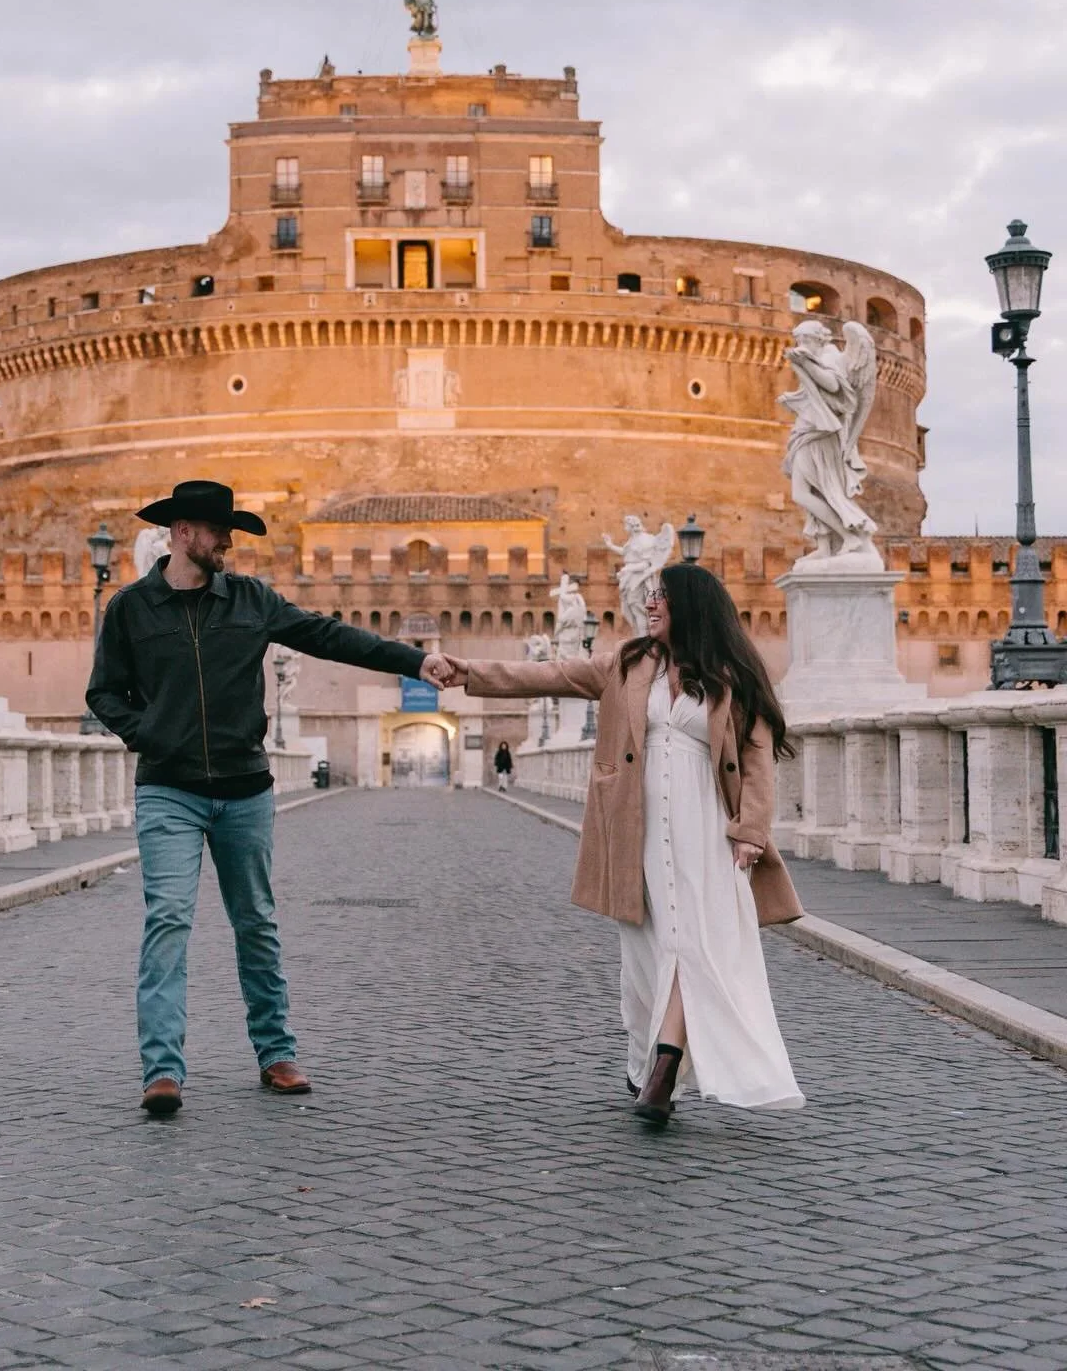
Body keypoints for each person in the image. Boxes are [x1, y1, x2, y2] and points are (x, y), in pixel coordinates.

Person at [87, 480, 454, 1117]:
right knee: (168, 921)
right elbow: (104, 693)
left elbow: (331, 636)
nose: (228, 542)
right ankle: (162, 1070)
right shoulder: (131, 608)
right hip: (168, 790)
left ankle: (275, 1053)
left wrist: (412, 661)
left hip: (243, 789)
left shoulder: (251, 600)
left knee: (255, 922)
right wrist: (149, 733)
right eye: (217, 531)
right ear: (181, 533)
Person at [444, 563, 803, 1125]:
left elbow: (757, 759)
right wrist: (468, 671)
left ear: (692, 605)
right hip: (635, 829)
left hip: (706, 830)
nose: (650, 604)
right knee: (643, 959)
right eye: (650, 595)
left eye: (661, 596)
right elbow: (548, 675)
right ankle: (647, 1061)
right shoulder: (629, 665)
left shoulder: (733, 676)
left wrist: (750, 832)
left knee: (693, 945)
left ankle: (663, 1069)